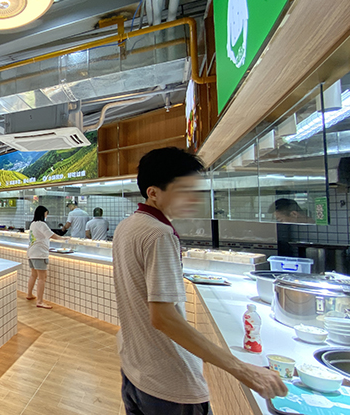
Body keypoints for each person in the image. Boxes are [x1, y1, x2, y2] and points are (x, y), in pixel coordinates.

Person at [113, 147, 287, 414]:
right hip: (170, 382)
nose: (193, 199)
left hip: (135, 372)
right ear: (153, 192)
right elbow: (163, 318)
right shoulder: (159, 234)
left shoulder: (127, 226)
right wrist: (242, 369)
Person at [26, 206, 65, 309]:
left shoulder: (33, 224)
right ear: (43, 213)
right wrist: (63, 239)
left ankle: (29, 294)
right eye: (46, 214)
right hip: (39, 254)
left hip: (31, 252)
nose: (46, 216)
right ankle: (40, 301)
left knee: (33, 275)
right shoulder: (41, 224)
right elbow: (51, 235)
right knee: (42, 278)